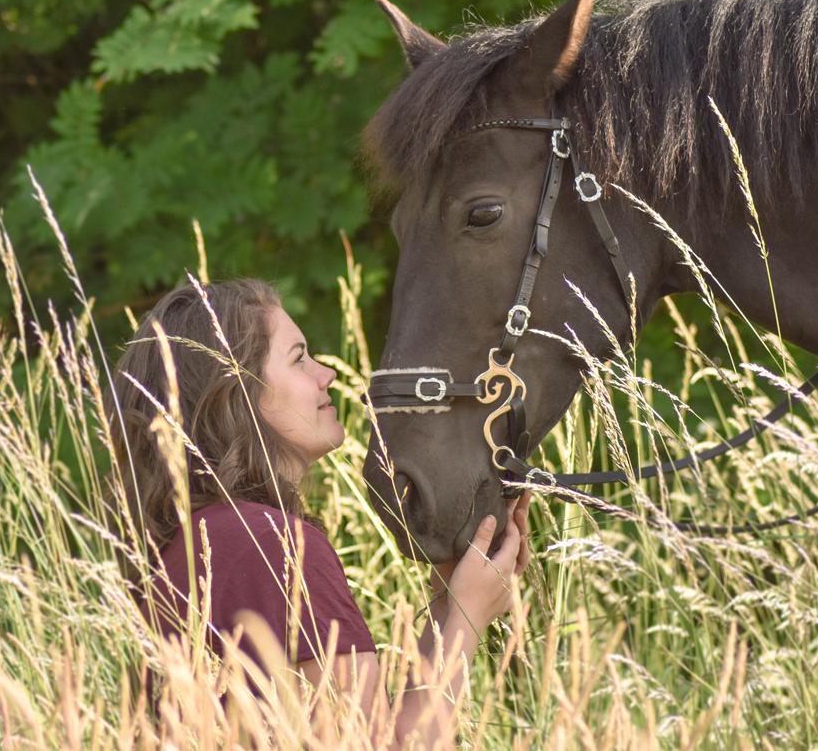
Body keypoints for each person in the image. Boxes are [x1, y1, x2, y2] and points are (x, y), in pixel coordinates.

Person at [108, 277, 531, 747]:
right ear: (237, 394)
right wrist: (469, 618)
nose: (325, 374)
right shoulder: (267, 542)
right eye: (298, 358)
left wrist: (451, 601)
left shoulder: (215, 536)